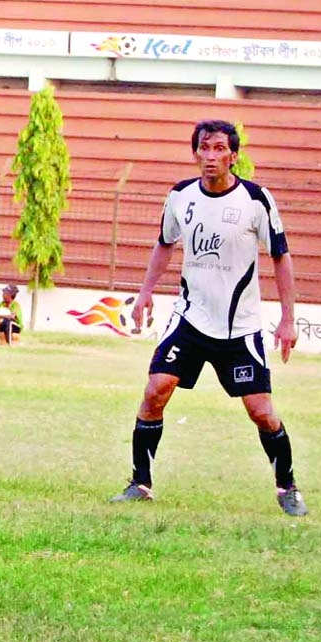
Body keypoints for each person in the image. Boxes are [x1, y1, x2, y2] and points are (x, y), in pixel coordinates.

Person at [110, 119, 307, 516]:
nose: (211, 156)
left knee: (261, 412)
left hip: (240, 327)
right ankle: (140, 482)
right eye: (205, 148)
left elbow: (280, 257)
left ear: (233, 156)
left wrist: (288, 319)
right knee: (155, 390)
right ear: (196, 152)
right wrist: (146, 293)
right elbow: (164, 245)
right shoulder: (181, 196)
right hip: (191, 319)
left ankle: (287, 487)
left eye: (219, 149)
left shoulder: (255, 199)